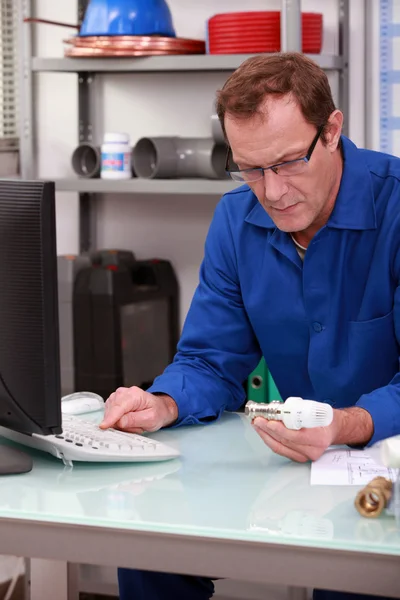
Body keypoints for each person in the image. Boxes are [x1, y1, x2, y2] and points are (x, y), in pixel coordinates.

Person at [100, 52, 400, 600]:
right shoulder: (236, 219)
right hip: (301, 459)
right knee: (148, 549)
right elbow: (210, 360)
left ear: (331, 131)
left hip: (388, 460)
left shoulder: (397, 206)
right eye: (251, 168)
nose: (274, 191)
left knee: (352, 580)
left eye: (289, 162)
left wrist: (347, 424)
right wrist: (163, 402)